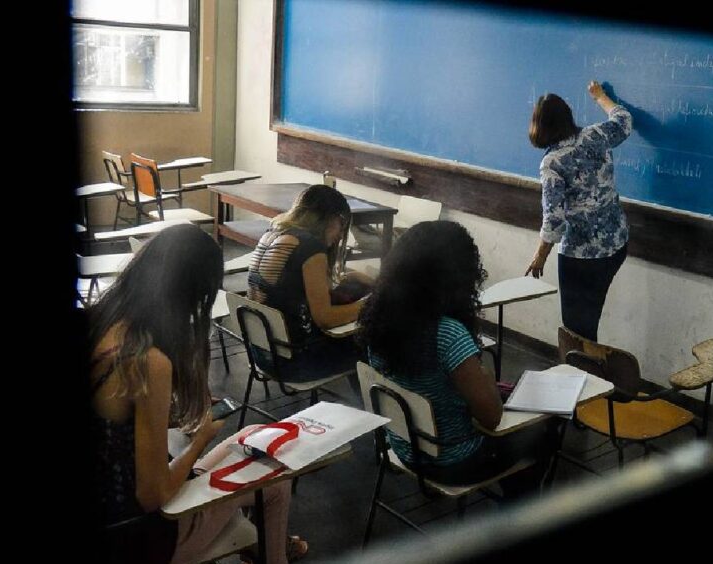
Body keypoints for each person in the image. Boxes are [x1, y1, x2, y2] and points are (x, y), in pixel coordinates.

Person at [88, 224, 304, 564]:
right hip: (136, 542)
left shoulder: (99, 322)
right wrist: (199, 440)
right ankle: (272, 561)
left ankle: (262, 553)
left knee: (249, 442)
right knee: (275, 482)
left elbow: (113, 422)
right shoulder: (146, 360)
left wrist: (166, 416)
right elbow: (152, 496)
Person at [358, 221, 557, 498]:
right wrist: (482, 373)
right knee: (547, 429)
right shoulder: (447, 333)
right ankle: (517, 514)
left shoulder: (378, 319)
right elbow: (492, 417)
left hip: (407, 447)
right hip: (456, 461)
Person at [526, 80, 632, 341]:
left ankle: (586, 377)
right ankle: (591, 372)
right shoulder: (596, 135)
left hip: (582, 257)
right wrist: (600, 96)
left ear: (540, 125)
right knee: (588, 323)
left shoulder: (552, 163)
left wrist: (540, 256)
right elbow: (624, 119)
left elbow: (554, 220)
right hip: (617, 245)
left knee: (577, 332)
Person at [247, 184, 373, 381]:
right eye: (342, 226)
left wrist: (351, 277)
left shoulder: (273, 233)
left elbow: (290, 284)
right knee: (371, 340)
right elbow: (325, 318)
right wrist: (369, 305)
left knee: (352, 294)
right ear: (333, 219)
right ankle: (370, 407)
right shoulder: (310, 247)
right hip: (294, 362)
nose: (341, 235)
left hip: (263, 352)